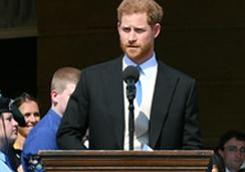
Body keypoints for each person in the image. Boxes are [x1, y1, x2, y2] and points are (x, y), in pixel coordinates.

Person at [57, 0, 201, 150]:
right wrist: (93, 166)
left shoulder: (182, 86)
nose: (131, 38)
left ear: (156, 30)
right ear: (118, 28)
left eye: (139, 30)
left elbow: (192, 146)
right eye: (126, 30)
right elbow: (67, 134)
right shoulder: (93, 79)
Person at [22, 67, 80, 172]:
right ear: (55, 96)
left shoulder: (67, 129)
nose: (79, 103)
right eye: (73, 97)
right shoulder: (44, 135)